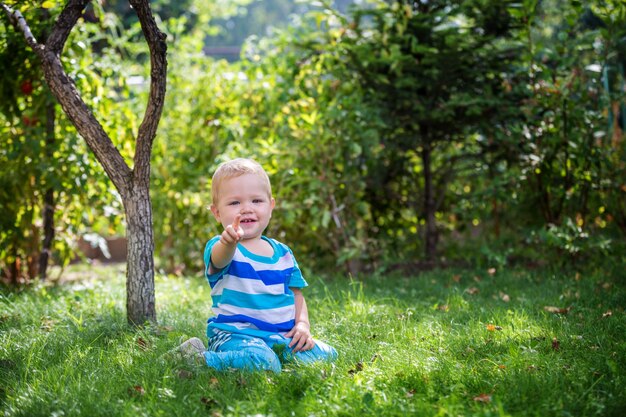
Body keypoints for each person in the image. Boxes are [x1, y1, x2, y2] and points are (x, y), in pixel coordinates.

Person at [178, 158, 337, 373]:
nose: (246, 209)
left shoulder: (283, 253)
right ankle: (198, 359)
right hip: (235, 335)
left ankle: (274, 358)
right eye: (235, 203)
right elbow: (220, 259)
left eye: (256, 201)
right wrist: (229, 242)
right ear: (217, 212)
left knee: (326, 354)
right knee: (263, 361)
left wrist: (302, 325)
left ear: (270, 206)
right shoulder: (222, 246)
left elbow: (296, 294)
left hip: (280, 337)